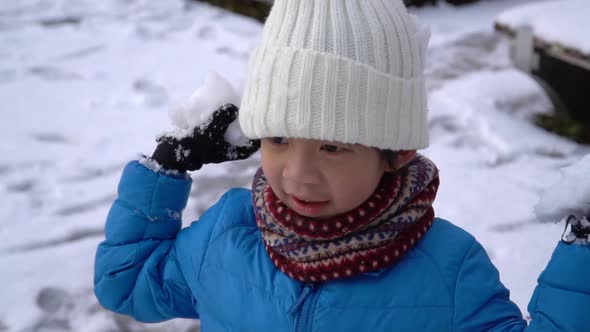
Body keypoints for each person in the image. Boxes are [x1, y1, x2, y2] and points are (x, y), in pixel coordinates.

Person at [94, 0, 590, 330]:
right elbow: (127, 282)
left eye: (333, 146)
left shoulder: (447, 270)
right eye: (279, 137)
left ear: (395, 152)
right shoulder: (227, 232)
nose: (297, 173)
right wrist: (165, 167)